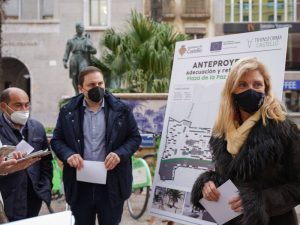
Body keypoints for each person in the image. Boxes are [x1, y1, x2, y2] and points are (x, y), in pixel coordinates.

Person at [191, 57, 300, 225]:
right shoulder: (221, 133)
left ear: (266, 89)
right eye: (242, 84)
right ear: (232, 91)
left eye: (257, 84)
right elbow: (224, 174)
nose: (251, 90)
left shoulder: (285, 131)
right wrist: (208, 183)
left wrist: (260, 200)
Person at [51, 66, 141, 225]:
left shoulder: (121, 110)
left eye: (100, 83)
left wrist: (119, 154)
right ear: (80, 88)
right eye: (92, 85)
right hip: (80, 187)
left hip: (112, 185)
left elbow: (134, 138)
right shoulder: (68, 111)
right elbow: (57, 140)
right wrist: (68, 154)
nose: (97, 88)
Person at [0, 87, 53, 221]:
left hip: (34, 195)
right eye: (18, 105)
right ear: (3, 106)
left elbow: (47, 163)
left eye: (26, 104)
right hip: (8, 196)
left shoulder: (37, 127)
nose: (24, 109)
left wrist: (45, 187)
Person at [63, 22, 97, 94]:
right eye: (80, 27)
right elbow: (67, 51)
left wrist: (89, 47)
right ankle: (76, 92)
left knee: (83, 74)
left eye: (83, 27)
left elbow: (94, 51)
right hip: (74, 58)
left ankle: (84, 91)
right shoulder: (71, 41)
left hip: (83, 58)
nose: (82, 29)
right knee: (74, 76)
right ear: (77, 29)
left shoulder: (87, 40)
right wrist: (65, 61)